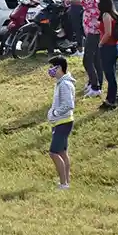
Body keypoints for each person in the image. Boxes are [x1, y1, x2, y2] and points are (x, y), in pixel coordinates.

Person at [45, 56, 75, 190]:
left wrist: (55, 113)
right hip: (62, 122)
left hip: (63, 122)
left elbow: (69, 104)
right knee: (62, 152)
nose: (50, 70)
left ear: (60, 68)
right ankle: (66, 181)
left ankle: (63, 184)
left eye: (52, 67)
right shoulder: (61, 83)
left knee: (53, 153)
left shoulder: (64, 85)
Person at [96, 0, 118, 110]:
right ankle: (110, 98)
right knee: (112, 74)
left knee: (110, 75)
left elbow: (108, 33)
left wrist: (100, 44)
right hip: (115, 46)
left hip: (108, 47)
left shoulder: (106, 15)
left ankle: (111, 101)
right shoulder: (114, 14)